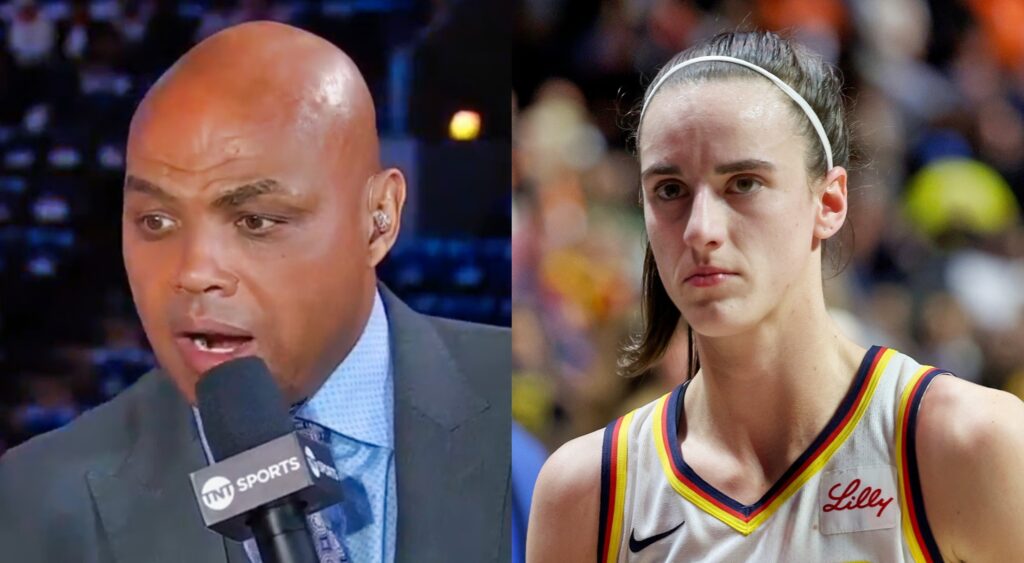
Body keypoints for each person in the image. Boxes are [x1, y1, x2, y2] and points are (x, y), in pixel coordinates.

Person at [0, 21, 509, 563]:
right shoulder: (34, 500)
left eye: (256, 221)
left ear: (378, 219)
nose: (194, 272)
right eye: (155, 220)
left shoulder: (544, 419)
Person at [527, 31, 1024, 562]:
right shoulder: (588, 490)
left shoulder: (971, 442)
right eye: (669, 190)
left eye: (743, 183)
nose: (700, 229)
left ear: (830, 201)